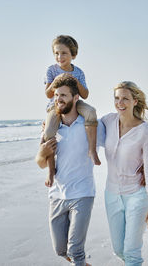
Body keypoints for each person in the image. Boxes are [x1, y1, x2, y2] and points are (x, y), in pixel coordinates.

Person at [36, 75, 104, 266]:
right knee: (60, 250)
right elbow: (41, 163)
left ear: (76, 98)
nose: (59, 99)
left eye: (64, 95)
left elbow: (117, 142)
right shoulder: (52, 128)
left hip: (83, 193)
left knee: (76, 249)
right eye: (57, 95)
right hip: (57, 194)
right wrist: (42, 152)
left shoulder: (90, 126)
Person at [100, 81, 148, 266]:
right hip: (111, 194)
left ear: (135, 101)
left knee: (131, 251)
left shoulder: (145, 132)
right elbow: (84, 123)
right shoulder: (107, 121)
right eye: (117, 98)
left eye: (125, 98)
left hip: (137, 196)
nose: (120, 103)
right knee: (119, 249)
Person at [42, 35, 100, 188]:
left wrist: (75, 82)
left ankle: (92, 150)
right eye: (56, 53)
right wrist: (56, 81)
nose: (59, 57)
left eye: (64, 53)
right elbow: (48, 93)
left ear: (73, 55)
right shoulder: (51, 70)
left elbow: (85, 94)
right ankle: (50, 169)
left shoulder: (79, 72)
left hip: (75, 102)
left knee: (91, 112)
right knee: (48, 132)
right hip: (55, 106)